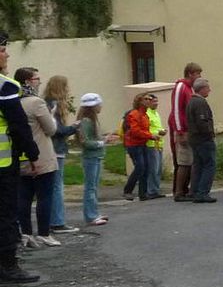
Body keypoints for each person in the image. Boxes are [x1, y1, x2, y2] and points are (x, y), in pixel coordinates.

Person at [0, 33, 42, 282]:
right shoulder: (4, 86)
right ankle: (8, 265)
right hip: (3, 163)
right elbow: (18, 124)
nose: (6, 54)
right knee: (5, 214)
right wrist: (32, 154)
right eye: (3, 49)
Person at [15, 67, 60, 247]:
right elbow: (51, 129)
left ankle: (26, 233)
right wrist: (53, 115)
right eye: (36, 79)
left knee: (24, 197)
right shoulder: (36, 102)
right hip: (41, 154)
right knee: (45, 196)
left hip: (20, 155)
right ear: (27, 81)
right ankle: (43, 232)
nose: (39, 82)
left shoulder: (14, 101)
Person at [43, 75, 80, 234]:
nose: (68, 89)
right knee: (57, 187)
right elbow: (56, 130)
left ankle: (52, 221)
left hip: (52, 149)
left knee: (52, 187)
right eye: (66, 86)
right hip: (56, 150)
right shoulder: (53, 105)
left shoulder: (47, 102)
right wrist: (74, 127)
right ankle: (57, 222)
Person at [76, 93, 117, 226]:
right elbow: (86, 142)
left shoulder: (90, 121)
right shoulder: (86, 122)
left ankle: (94, 212)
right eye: (99, 105)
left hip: (95, 156)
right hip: (91, 157)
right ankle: (91, 215)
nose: (101, 107)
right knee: (90, 187)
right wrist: (102, 141)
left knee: (93, 186)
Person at [169, 62, 202, 201]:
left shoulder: (190, 89)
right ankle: (178, 192)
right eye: (197, 73)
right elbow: (176, 109)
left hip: (188, 129)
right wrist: (180, 131)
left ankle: (184, 188)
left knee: (189, 160)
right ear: (190, 74)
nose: (199, 76)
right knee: (184, 161)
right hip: (182, 129)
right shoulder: (181, 87)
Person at [123, 93, 161, 201]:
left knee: (146, 167)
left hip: (142, 143)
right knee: (140, 167)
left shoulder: (145, 115)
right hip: (134, 144)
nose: (149, 101)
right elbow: (135, 131)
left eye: (150, 99)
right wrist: (150, 135)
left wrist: (152, 135)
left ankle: (143, 193)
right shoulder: (134, 114)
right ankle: (128, 190)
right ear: (140, 101)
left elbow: (144, 130)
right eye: (146, 99)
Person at [186, 78, 217, 203]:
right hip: (203, 139)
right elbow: (202, 122)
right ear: (202, 88)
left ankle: (194, 191)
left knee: (198, 165)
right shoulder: (200, 103)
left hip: (194, 138)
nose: (209, 90)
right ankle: (203, 192)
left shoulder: (191, 102)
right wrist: (209, 134)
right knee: (209, 165)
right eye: (208, 88)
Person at [144, 93, 167, 199]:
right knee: (153, 168)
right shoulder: (147, 114)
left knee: (158, 169)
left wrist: (162, 131)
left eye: (157, 101)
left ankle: (155, 189)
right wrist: (159, 132)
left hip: (159, 143)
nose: (156, 103)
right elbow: (148, 129)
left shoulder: (156, 113)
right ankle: (151, 190)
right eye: (154, 101)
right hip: (151, 143)